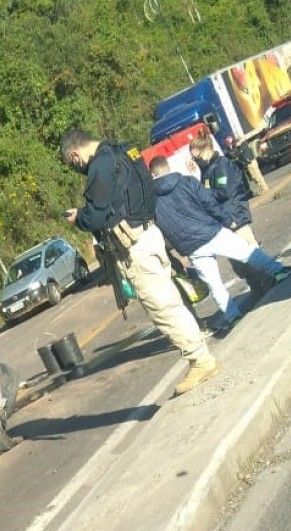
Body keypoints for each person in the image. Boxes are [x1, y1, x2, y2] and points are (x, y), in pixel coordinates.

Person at [60, 129, 218, 396]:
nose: (76, 167)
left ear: (75, 155)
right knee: (170, 299)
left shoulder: (100, 167)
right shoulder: (123, 151)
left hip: (135, 247)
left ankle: (200, 360)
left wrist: (79, 218)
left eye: (72, 162)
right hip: (149, 233)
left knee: (162, 307)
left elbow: (96, 216)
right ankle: (198, 351)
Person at [149, 155, 291, 330]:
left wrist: (179, 247)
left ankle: (232, 315)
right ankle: (278, 271)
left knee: (214, 283)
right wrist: (226, 220)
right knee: (246, 253)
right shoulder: (187, 182)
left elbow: (162, 228)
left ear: (152, 174)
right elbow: (209, 202)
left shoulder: (152, 202)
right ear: (167, 167)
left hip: (191, 246)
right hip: (211, 231)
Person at [190, 130, 272, 299]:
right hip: (223, 221)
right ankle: (255, 285)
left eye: (195, 157)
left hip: (235, 217)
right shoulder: (206, 170)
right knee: (237, 261)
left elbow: (223, 192)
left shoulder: (221, 166)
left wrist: (203, 193)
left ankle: (268, 278)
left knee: (249, 252)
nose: (195, 161)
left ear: (206, 150)